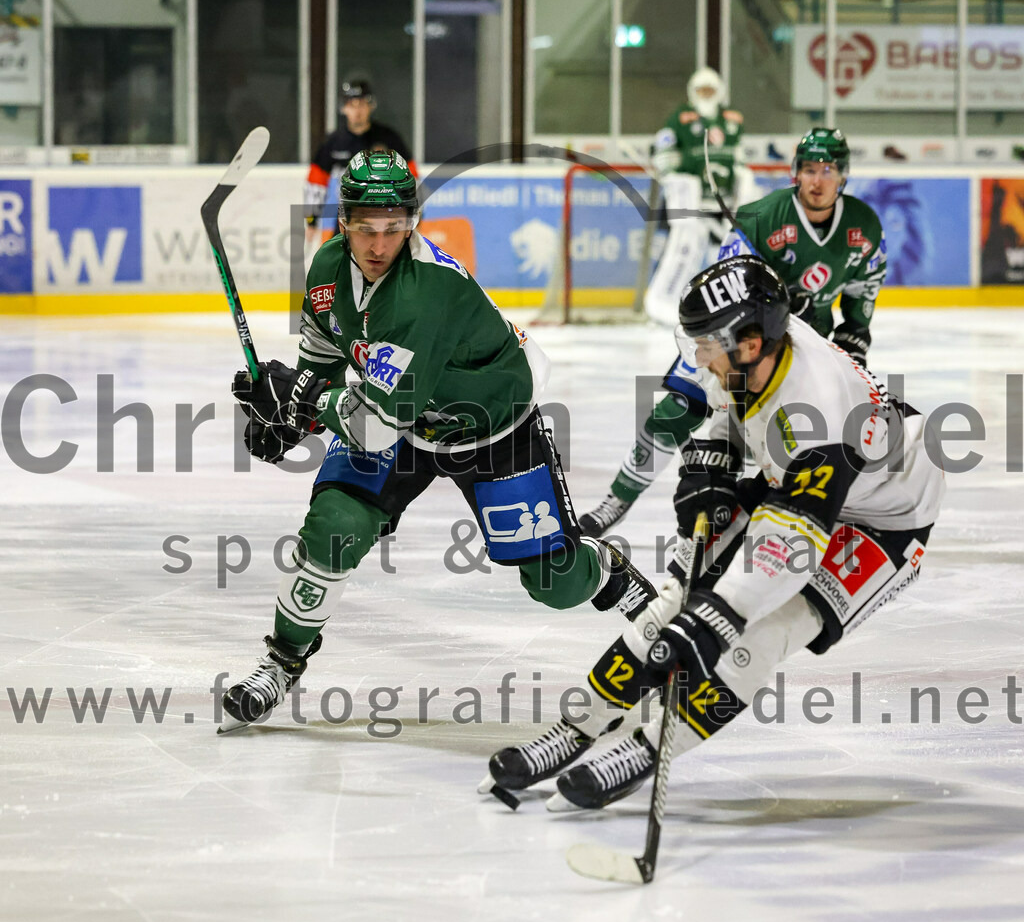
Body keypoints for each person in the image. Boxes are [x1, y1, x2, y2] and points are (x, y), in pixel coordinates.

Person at [220, 148, 662, 732]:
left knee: (554, 582)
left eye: (394, 229)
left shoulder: (422, 294)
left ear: (412, 224)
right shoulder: (327, 268)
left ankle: (604, 571)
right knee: (335, 526)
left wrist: (301, 400)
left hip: (489, 423)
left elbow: (377, 422)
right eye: (365, 229)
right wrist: (284, 418)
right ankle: (281, 661)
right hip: (403, 417)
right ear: (344, 222)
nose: (379, 246)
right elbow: (322, 363)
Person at [481, 255, 944, 809]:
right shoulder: (760, 346)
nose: (697, 357)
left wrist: (718, 617)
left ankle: (649, 748)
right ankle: (577, 726)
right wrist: (714, 458)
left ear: (748, 344)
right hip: (807, 476)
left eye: (706, 345)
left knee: (762, 634)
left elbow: (788, 551)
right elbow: (739, 406)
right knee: (677, 599)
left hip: (888, 518)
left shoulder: (816, 414)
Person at [581, 127, 887, 554]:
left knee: (803, 432)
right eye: (808, 169)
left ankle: (785, 519)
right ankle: (616, 500)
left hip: (806, 345)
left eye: (828, 170)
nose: (817, 180)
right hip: (739, 337)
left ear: (843, 176)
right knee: (677, 407)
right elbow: (729, 289)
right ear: (795, 174)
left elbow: (861, 302)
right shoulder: (761, 217)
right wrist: (772, 303)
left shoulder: (864, 227)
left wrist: (849, 352)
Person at [643, 66, 755, 326]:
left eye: (710, 90)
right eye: (701, 90)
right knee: (684, 250)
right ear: (692, 92)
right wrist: (671, 171)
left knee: (727, 254)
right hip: (690, 203)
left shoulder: (732, 121)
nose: (706, 94)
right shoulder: (681, 118)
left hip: (723, 203)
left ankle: (723, 305)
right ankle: (666, 301)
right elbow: (664, 152)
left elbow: (740, 157)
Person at [304, 79, 417, 246]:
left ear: (370, 105)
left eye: (361, 104)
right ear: (343, 107)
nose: (357, 110)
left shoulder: (388, 139)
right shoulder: (334, 143)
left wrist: (415, 215)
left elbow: (412, 177)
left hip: (387, 215)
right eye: (352, 104)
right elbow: (316, 184)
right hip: (349, 214)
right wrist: (312, 221)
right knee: (338, 260)